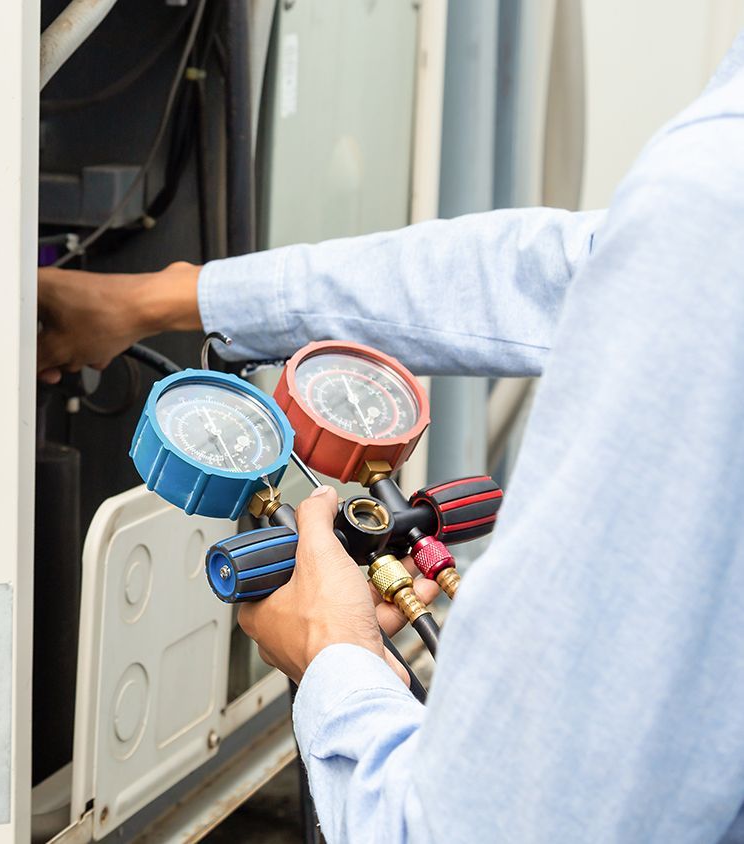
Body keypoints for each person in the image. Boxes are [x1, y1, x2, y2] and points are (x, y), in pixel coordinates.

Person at [36, 32, 744, 843]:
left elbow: (478, 830)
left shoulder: (715, 199)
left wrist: (333, 657)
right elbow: (540, 269)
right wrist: (175, 295)